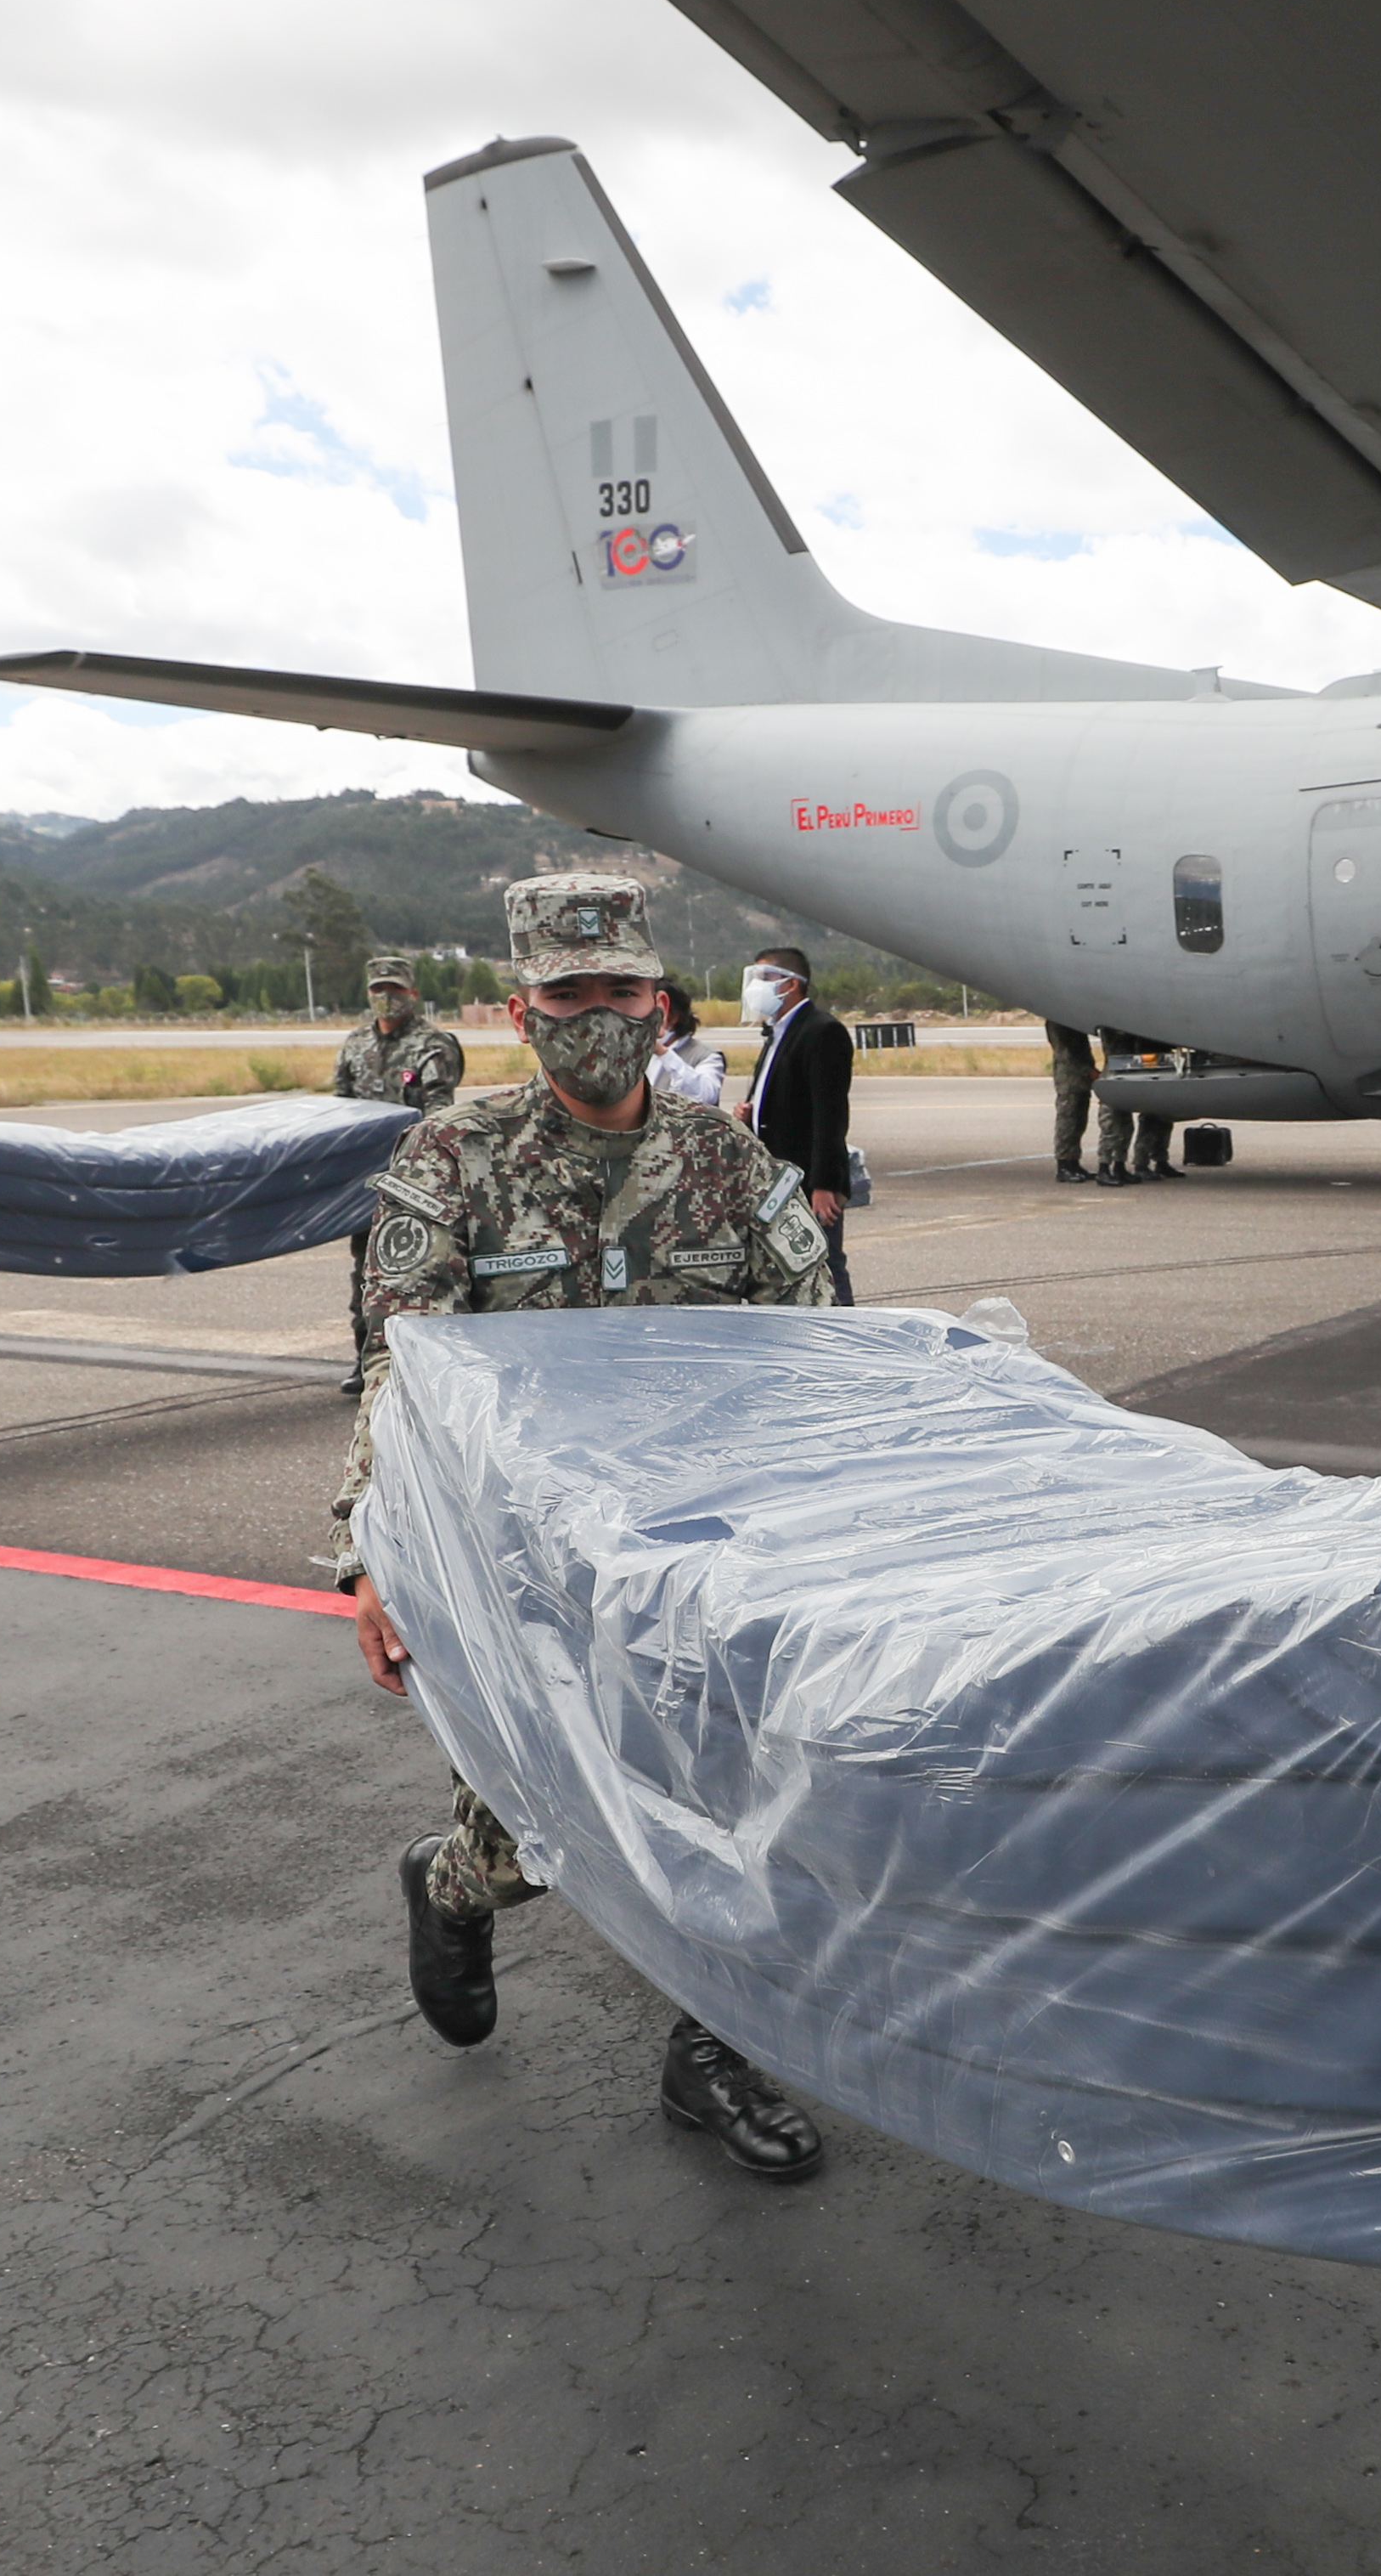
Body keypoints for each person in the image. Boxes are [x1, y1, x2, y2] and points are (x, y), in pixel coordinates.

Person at [333, 874, 837, 2181]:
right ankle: (453, 1882)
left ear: (656, 1001)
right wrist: (373, 1553)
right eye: (568, 995)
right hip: (521, 1564)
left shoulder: (725, 1158)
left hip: (711, 1554)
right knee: (542, 1837)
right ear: (521, 1009)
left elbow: (828, 1343)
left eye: (619, 991)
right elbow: (397, 1369)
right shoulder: (455, 1159)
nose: (596, 1015)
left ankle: (712, 2049)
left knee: (742, 1810)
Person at [331, 952, 467, 1397]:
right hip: (363, 1185)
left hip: (414, 1184)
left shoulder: (433, 1045)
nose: (387, 998)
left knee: (417, 1276)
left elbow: (438, 1111)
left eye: (395, 989)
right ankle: (364, 1362)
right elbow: (340, 1108)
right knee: (365, 1276)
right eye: (379, 990)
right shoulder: (355, 1045)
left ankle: (417, 1367)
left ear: (412, 993)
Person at [738, 945, 854, 1302]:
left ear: (789, 985)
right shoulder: (779, 1032)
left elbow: (830, 1114)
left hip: (805, 1179)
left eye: (764, 978)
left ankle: (847, 1335)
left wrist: (824, 1184)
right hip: (776, 1179)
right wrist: (754, 1114)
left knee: (824, 1262)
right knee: (783, 1266)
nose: (755, 987)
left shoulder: (821, 1031)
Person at [1094, 1027, 1179, 1185]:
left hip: (1127, 1072)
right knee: (1111, 1125)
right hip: (1115, 1074)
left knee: (1125, 1127)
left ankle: (1119, 1167)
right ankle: (1103, 1168)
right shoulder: (1113, 1027)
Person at [646, 978, 727, 1107]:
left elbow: (705, 1096)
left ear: (672, 1017)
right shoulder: (638, 1053)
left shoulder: (707, 1056)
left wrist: (663, 1053)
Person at [1045, 1018, 1097, 1184]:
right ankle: (1064, 1165)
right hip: (1070, 1076)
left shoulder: (1071, 1019)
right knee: (1068, 1121)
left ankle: (1073, 1163)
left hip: (1080, 1077)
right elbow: (1068, 1051)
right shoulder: (1059, 1021)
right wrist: (1088, 1070)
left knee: (1079, 1121)